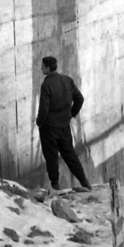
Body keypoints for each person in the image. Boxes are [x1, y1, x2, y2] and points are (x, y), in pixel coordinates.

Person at [35, 54, 91, 192]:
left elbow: (44, 109)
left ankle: (55, 186)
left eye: (43, 66)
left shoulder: (46, 84)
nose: (41, 68)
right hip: (64, 126)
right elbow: (80, 99)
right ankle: (85, 182)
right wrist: (72, 113)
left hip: (49, 128)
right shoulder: (67, 80)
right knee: (70, 155)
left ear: (48, 68)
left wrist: (39, 123)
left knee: (51, 157)